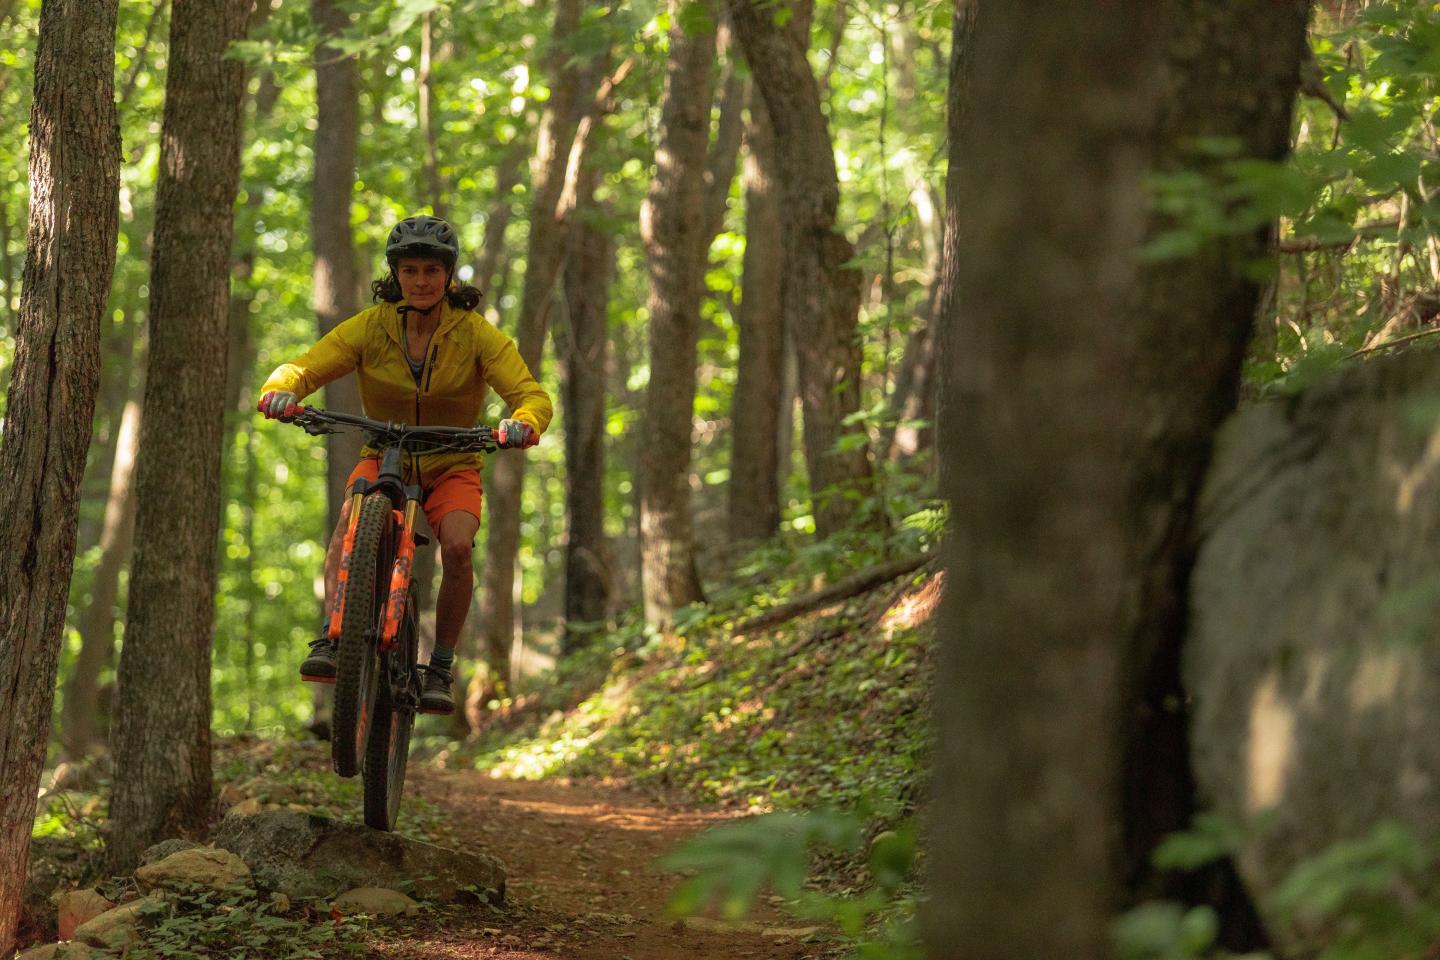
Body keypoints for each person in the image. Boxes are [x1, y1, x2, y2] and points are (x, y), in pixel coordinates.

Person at [257, 214, 552, 715]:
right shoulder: (371, 327)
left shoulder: (478, 336)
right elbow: (307, 366)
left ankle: (439, 666)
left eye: (431, 272)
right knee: (351, 522)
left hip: (452, 460)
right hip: (385, 453)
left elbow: (529, 393)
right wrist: (280, 389)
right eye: (410, 271)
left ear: (448, 276)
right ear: (395, 275)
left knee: (457, 547)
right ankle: (334, 635)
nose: (420, 282)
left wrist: (523, 421)